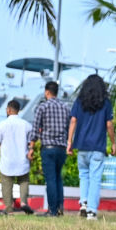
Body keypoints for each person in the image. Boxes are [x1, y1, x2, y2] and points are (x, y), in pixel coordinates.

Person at [68, 74, 116, 221]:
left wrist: (69, 141)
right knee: (95, 178)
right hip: (97, 147)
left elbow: (73, 121)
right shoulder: (106, 103)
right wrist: (113, 143)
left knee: (83, 175)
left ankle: (83, 202)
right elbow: (109, 125)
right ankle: (92, 211)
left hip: (82, 146)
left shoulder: (79, 102)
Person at [0, 99, 34, 216]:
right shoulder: (26, 125)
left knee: (7, 185)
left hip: (7, 161)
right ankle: (23, 202)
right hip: (22, 160)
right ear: (18, 110)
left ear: (8, 110)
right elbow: (31, 141)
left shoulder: (2, 125)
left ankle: (9, 209)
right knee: (24, 181)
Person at [32, 80, 69, 217]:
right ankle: (59, 208)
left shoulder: (43, 107)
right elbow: (69, 128)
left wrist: (31, 146)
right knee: (58, 178)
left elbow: (35, 129)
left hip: (48, 148)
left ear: (47, 91)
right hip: (61, 148)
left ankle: (52, 210)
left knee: (51, 179)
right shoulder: (65, 107)